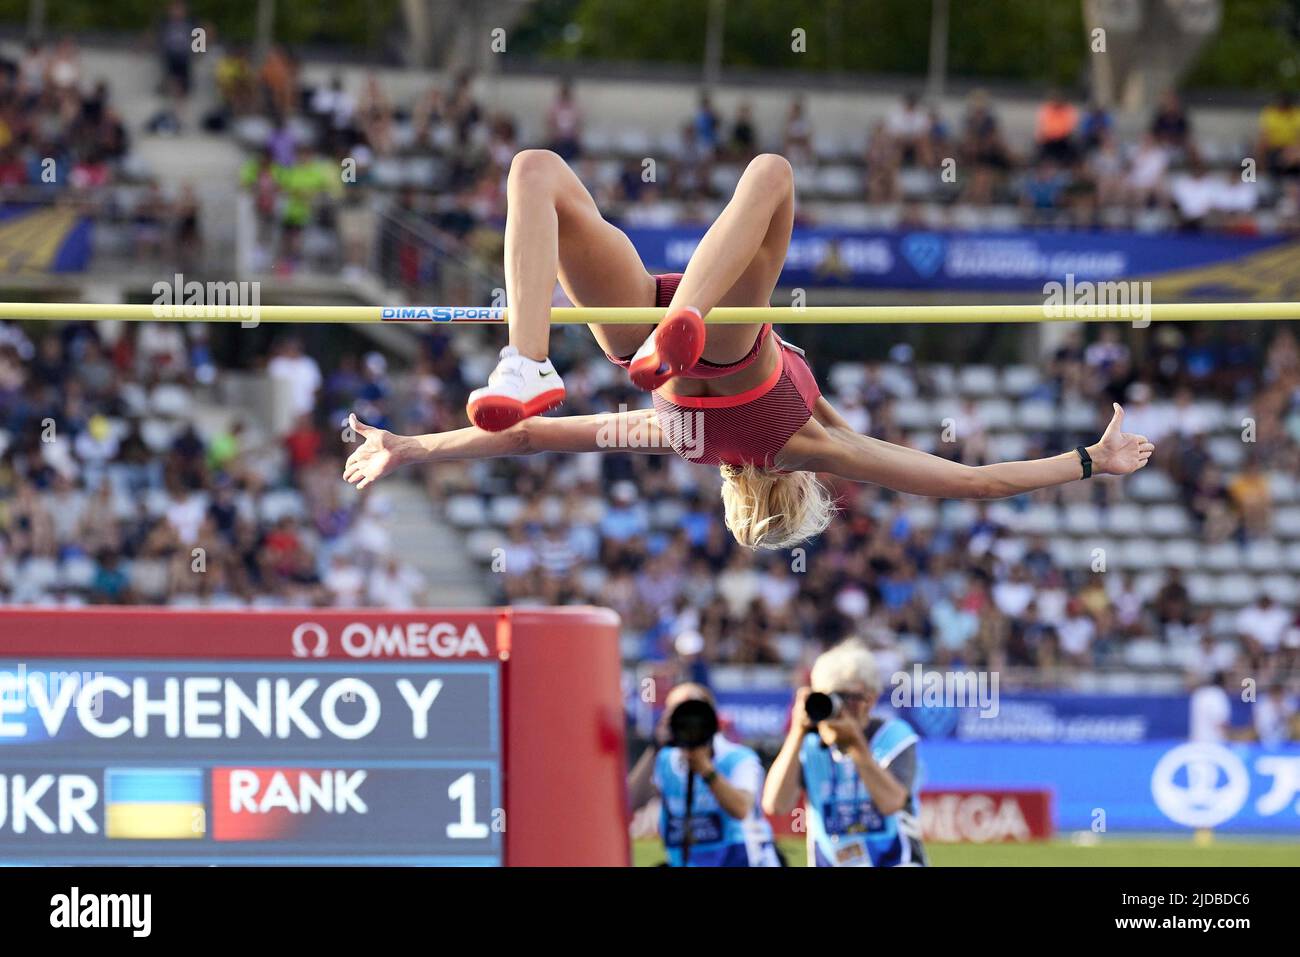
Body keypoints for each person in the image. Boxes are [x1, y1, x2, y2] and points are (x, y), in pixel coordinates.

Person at [344, 150, 1155, 549]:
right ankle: (539, 359)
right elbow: (518, 435)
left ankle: (532, 357)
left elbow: (974, 482)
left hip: (713, 339)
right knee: (537, 176)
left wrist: (1093, 458)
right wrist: (409, 447)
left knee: (768, 173)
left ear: (798, 486)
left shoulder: (812, 443)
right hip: (646, 339)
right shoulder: (680, 437)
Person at [762, 638, 926, 866]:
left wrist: (856, 747)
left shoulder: (893, 736)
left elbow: (892, 802)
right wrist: (796, 733)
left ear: (871, 699)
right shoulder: (809, 745)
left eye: (850, 698)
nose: (841, 707)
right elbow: (775, 804)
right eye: (830, 697)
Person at [626, 683, 779, 867]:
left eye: (694, 712)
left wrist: (706, 769)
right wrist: (655, 747)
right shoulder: (665, 760)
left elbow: (741, 809)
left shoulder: (737, 758)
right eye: (679, 712)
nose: (689, 722)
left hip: (741, 860)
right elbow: (629, 803)